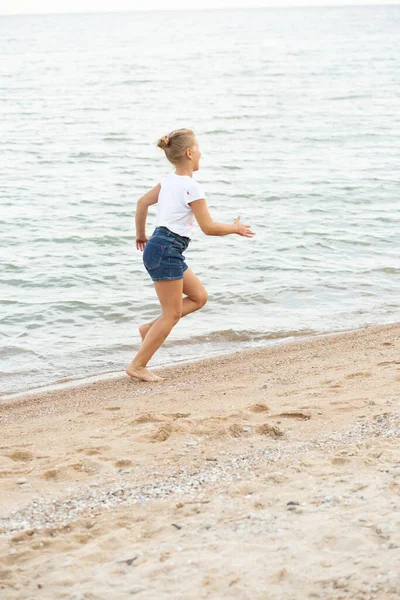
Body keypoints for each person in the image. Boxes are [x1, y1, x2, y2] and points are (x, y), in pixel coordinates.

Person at [126, 128, 255, 382]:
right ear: (188, 153)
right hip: (167, 250)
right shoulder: (192, 187)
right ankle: (137, 365)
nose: (201, 153)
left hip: (161, 247)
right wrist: (235, 228)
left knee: (198, 296)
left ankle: (149, 329)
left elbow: (142, 203)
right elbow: (208, 228)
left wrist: (141, 235)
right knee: (172, 313)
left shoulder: (168, 182)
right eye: (198, 149)